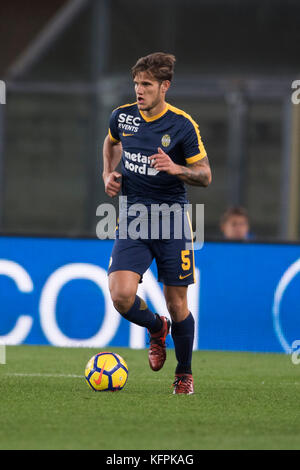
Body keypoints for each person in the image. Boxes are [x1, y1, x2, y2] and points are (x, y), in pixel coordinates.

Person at [102, 52, 212, 394]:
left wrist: (176, 168)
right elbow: (110, 144)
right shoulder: (122, 117)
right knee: (121, 296)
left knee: (178, 304)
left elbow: (205, 176)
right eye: (136, 83)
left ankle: (183, 373)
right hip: (133, 218)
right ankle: (156, 327)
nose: (139, 90)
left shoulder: (182, 125)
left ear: (164, 86)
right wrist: (108, 173)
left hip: (172, 222)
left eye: (146, 84)